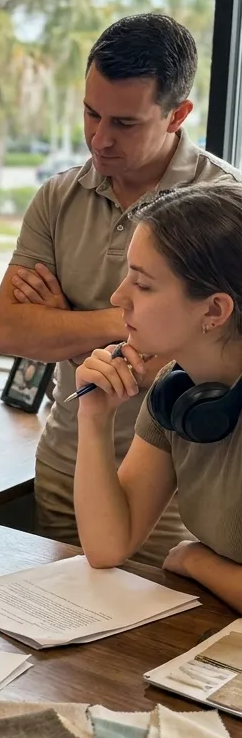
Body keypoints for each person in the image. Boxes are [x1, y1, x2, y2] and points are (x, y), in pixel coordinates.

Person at [0, 13, 240, 563]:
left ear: (178, 115)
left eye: (124, 123)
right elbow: (11, 330)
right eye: (90, 113)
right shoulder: (57, 197)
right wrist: (138, 331)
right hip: (68, 462)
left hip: (177, 489)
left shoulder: (222, 209)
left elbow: (186, 359)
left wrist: (65, 322)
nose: (99, 138)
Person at [73, 186, 242, 610]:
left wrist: (196, 559)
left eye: (143, 285)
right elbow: (108, 546)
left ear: (214, 311)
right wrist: (93, 418)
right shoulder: (179, 390)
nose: (118, 298)